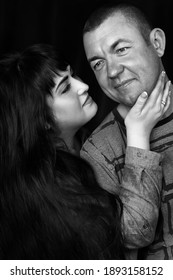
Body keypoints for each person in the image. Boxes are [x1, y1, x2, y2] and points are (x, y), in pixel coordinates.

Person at [0, 44, 169, 260]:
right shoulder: (46, 187)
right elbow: (135, 233)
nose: (82, 86)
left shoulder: (90, 142)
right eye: (65, 88)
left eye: (73, 75)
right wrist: (138, 133)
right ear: (41, 120)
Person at [81, 2, 173, 259]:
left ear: (156, 43)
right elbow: (127, 240)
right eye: (98, 64)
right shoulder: (97, 151)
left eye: (121, 49)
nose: (112, 71)